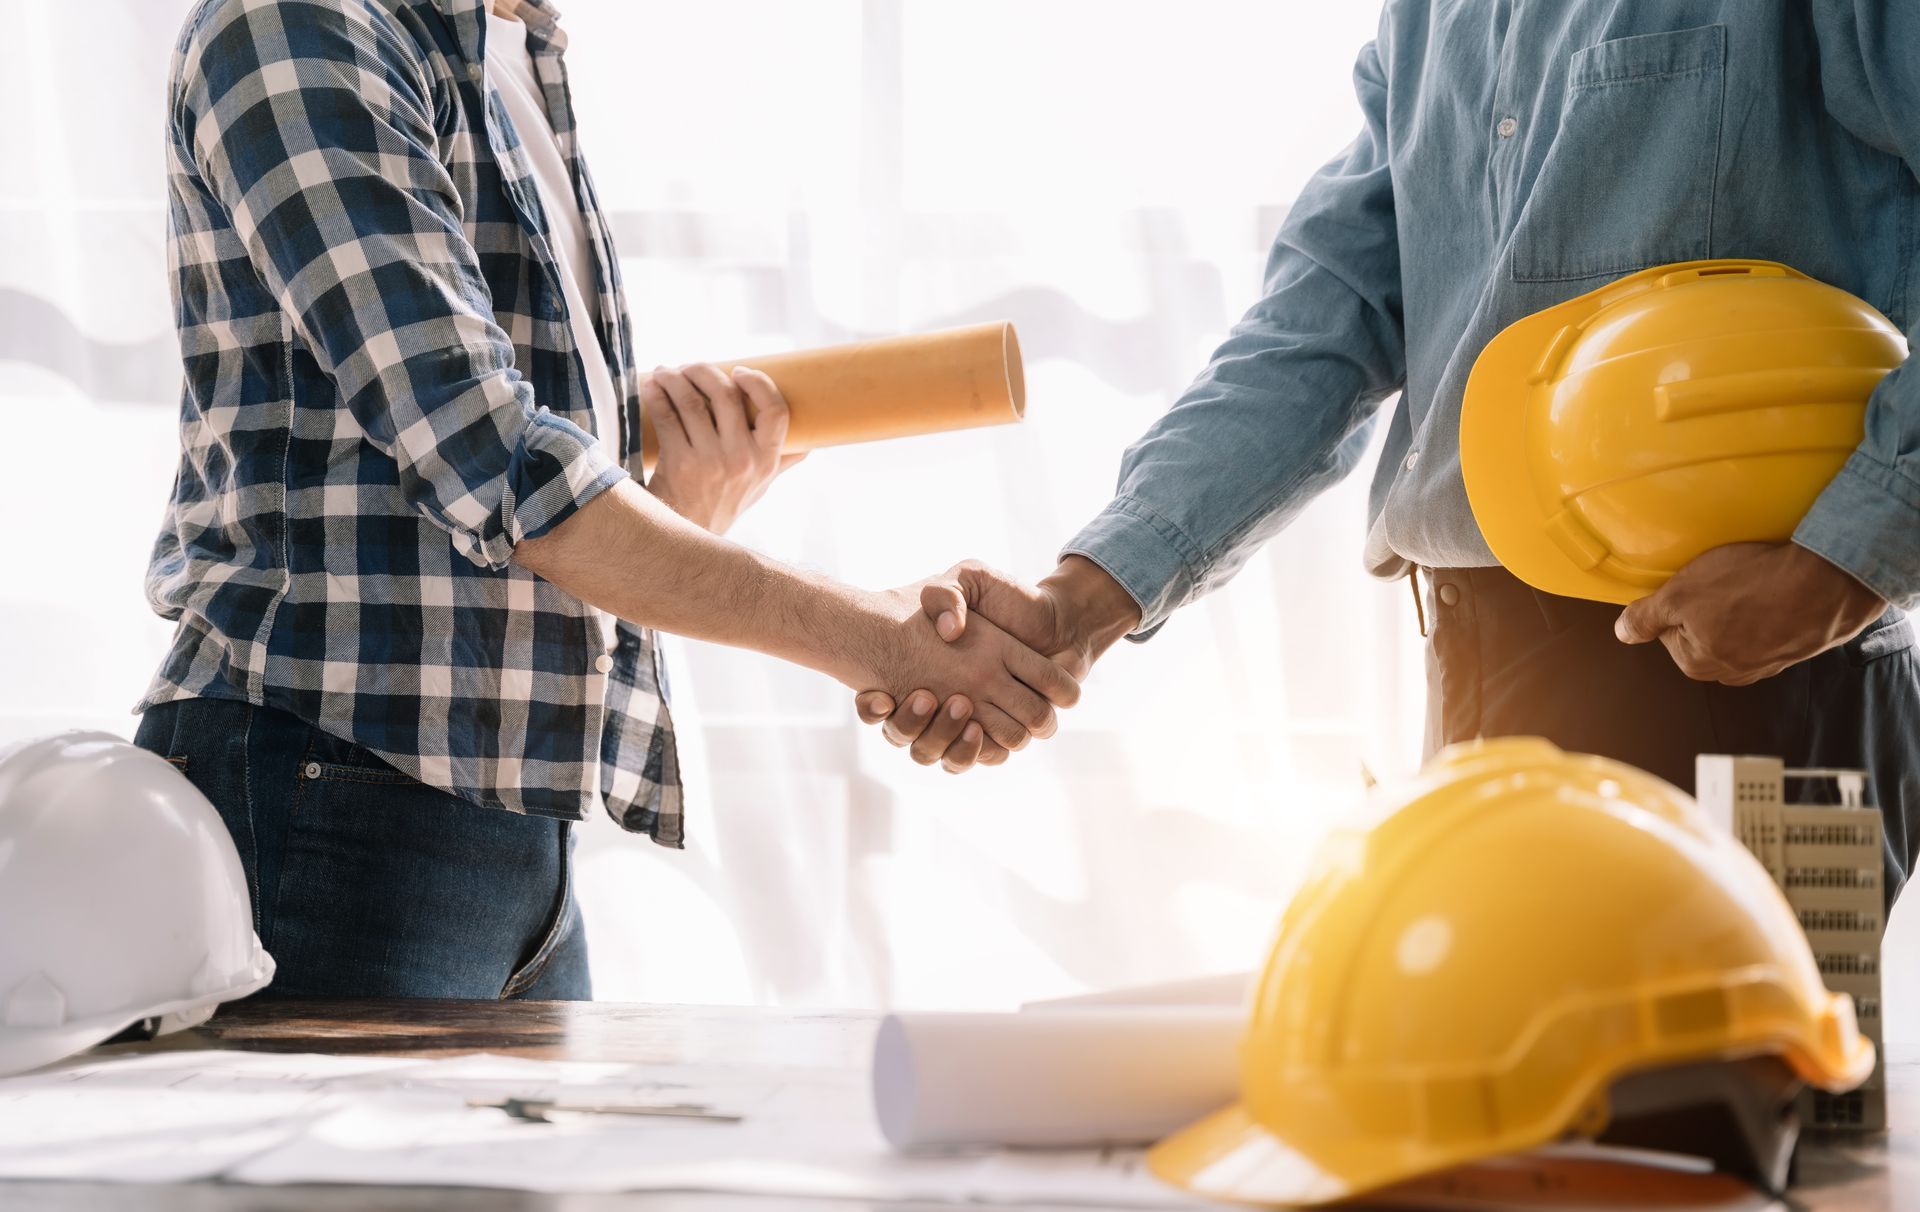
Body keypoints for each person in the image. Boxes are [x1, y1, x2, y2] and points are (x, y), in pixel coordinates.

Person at [861, 2, 1920, 906]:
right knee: (1499, 1128)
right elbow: (1326, 318)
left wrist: (1844, 562)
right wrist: (1077, 606)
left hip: (1755, 673)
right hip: (1489, 671)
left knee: (1738, 1128)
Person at [135, 0, 1077, 1001]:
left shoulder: (509, 62)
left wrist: (680, 501)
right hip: (329, 796)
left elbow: (503, 536)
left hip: (511, 834)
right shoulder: (300, 23)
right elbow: (491, 454)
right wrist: (878, 636)